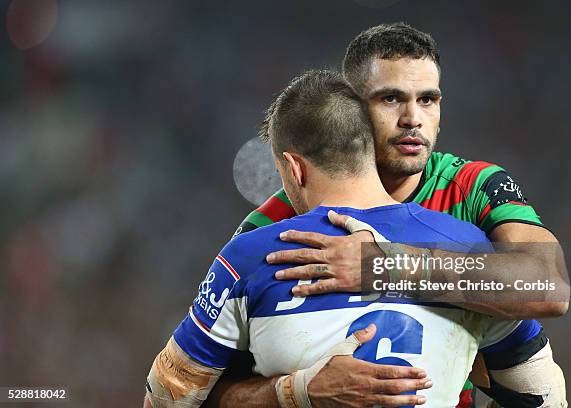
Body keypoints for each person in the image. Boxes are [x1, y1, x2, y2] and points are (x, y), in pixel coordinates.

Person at [144, 70, 549, 408]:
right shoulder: (467, 245)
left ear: (293, 168)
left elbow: (167, 397)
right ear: (367, 148)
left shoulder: (252, 254)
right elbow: (540, 392)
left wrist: (293, 392)